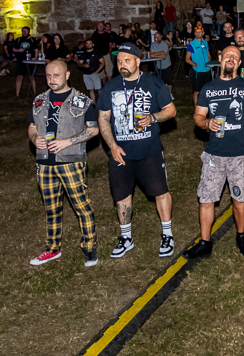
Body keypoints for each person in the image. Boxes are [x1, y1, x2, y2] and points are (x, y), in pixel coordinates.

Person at [97, 42, 178, 259]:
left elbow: (171, 111)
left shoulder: (153, 83)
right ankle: (126, 238)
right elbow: (103, 118)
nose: (122, 64)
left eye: (127, 60)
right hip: (120, 152)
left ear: (138, 61)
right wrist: (112, 146)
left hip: (149, 150)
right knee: (121, 196)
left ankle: (167, 234)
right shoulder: (110, 87)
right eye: (119, 61)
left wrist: (153, 117)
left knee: (160, 192)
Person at [186, 45, 244, 258]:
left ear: (239, 63)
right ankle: (205, 243)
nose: (231, 58)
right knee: (206, 198)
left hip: (241, 153)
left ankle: (241, 236)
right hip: (214, 153)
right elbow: (198, 116)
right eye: (227, 55)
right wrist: (206, 123)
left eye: (235, 57)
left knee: (239, 198)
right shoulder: (208, 88)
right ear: (220, 58)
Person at [27, 59, 100, 267]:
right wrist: (34, 138)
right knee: (51, 209)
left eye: (56, 75)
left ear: (67, 75)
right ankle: (53, 249)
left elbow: (93, 129)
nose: (52, 80)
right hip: (45, 162)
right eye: (48, 76)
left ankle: (89, 249)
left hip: (70, 162)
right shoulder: (39, 100)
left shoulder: (81, 101)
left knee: (81, 206)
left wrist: (67, 141)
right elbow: (32, 126)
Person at [185, 24, 214, 104]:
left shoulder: (205, 43)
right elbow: (187, 59)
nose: (198, 34)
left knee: (207, 90)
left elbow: (208, 54)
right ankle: (196, 108)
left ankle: (206, 106)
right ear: (194, 33)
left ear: (203, 33)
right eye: (196, 32)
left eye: (200, 32)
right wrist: (196, 65)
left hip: (207, 70)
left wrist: (209, 61)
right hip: (198, 71)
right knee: (196, 91)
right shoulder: (191, 45)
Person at [12, 27, 37, 97]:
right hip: (21, 60)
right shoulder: (18, 40)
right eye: (23, 31)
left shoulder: (32, 40)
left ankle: (34, 93)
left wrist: (35, 58)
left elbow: (36, 50)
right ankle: (17, 94)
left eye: (26, 31)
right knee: (19, 77)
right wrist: (18, 50)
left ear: (29, 31)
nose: (24, 32)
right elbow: (13, 49)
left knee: (31, 76)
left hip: (30, 61)